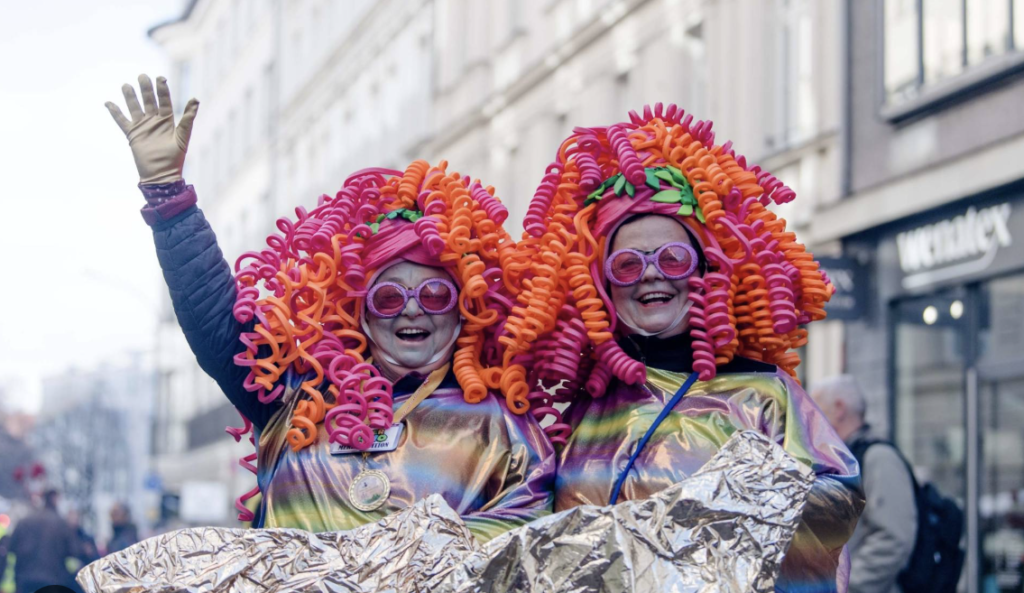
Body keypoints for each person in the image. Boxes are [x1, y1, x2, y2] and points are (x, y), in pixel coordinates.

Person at [104, 75, 554, 542]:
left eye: (436, 295)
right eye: (389, 297)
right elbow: (217, 320)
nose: (413, 311)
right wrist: (170, 200)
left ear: (465, 308)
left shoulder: (502, 427)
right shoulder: (295, 398)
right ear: (357, 310)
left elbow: (529, 540)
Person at [498, 104, 864, 592]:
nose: (650, 274)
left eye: (672, 259)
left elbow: (833, 505)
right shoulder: (582, 407)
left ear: (708, 272)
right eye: (628, 264)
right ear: (600, 285)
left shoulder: (764, 393)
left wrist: (703, 514)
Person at [811, 376, 916, 593]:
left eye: (814, 410)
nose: (808, 420)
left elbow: (893, 539)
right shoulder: (846, 460)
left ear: (839, 409)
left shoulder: (878, 458)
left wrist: (845, 587)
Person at [8, 489, 78, 593]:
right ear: (55, 500)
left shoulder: (24, 521)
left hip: (25, 579)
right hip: (53, 580)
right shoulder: (61, 524)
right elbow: (74, 550)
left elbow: (11, 547)